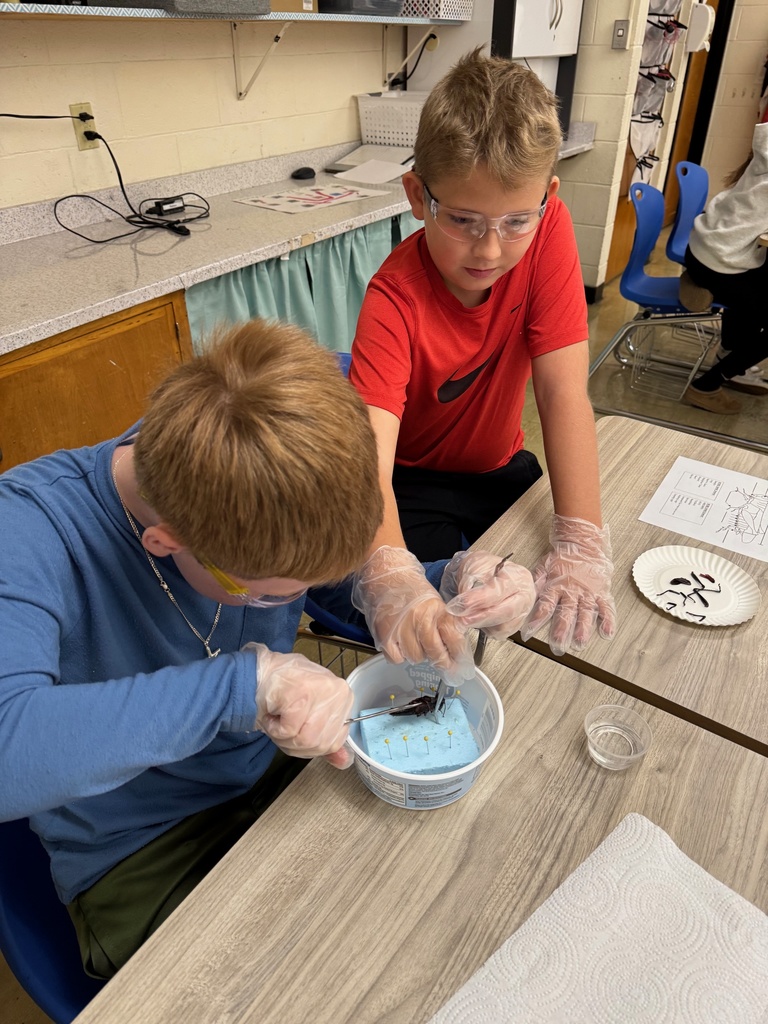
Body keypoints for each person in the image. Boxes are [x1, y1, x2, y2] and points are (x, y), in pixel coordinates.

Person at [0, 318, 537, 980]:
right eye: (269, 595)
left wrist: (435, 587)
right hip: (140, 849)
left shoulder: (272, 478)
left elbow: (346, 589)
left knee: (441, 925)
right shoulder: (27, 532)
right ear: (165, 543)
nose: (285, 603)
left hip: (280, 779)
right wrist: (242, 690)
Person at [347, 47, 616, 659]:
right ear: (417, 196)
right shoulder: (395, 298)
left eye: (515, 221)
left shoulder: (548, 227)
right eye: (464, 220)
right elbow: (369, 465)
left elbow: (561, 391)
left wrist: (579, 542)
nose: (490, 250)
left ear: (545, 198)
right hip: (412, 483)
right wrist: (392, 577)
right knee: (455, 633)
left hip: (501, 469)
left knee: (547, 609)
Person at [682, 121, 768, 415]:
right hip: (720, 260)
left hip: (703, 248)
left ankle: (731, 353)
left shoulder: (765, 151)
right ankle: (706, 386)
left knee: (760, 287)